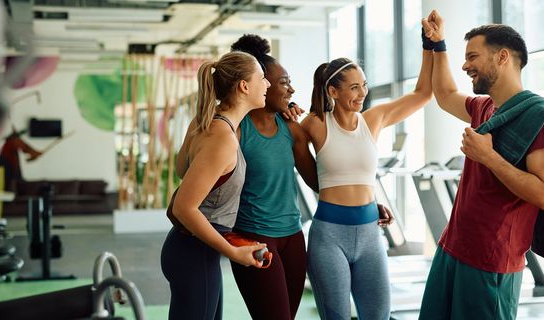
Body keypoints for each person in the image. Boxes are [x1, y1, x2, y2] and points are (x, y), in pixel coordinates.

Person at [419, 10, 544, 320]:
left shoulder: (540, 119)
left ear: (502, 57)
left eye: (473, 56)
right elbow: (445, 94)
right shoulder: (484, 107)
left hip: (492, 261)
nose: (465, 66)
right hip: (453, 246)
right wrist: (437, 45)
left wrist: (488, 157)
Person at [300, 28, 433, 319]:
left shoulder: (373, 119)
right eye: (354, 87)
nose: (363, 93)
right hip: (328, 236)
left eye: (364, 85)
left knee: (378, 315)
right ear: (333, 91)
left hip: (371, 235)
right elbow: (303, 166)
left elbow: (423, 93)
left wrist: (431, 44)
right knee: (336, 315)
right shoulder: (314, 124)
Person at [160, 50, 271, 320]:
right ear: (244, 86)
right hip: (195, 253)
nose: (267, 84)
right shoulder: (223, 137)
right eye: (262, 78)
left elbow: (180, 169)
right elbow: (184, 208)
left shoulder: (204, 122)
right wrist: (233, 252)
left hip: (191, 251)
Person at [227, 34, 318, 320]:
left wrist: (367, 202)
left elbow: (318, 181)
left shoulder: (291, 129)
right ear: (262, 84)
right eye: (284, 82)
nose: (291, 89)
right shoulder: (236, 130)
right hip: (254, 237)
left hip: (292, 237)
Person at [0, 126, 43, 191]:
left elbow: (17, 140)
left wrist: (32, 152)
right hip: (3, 165)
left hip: (9, 168)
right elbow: (16, 141)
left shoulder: (6, 124)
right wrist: (32, 152)